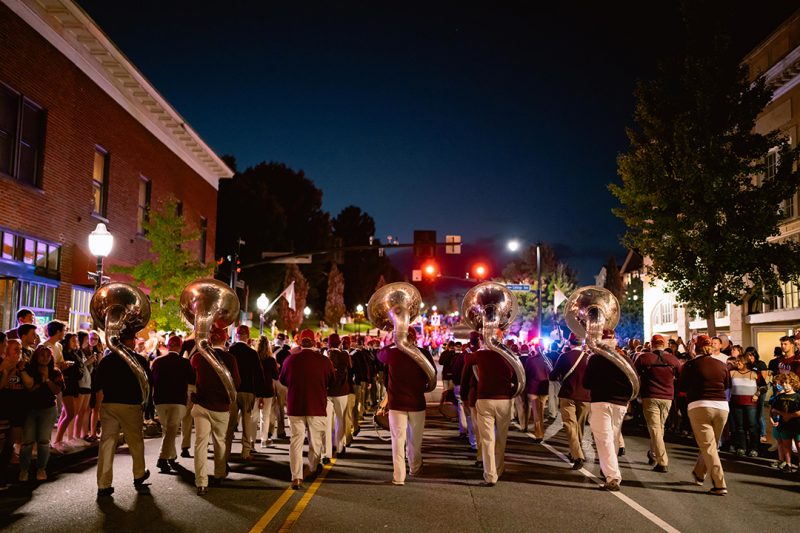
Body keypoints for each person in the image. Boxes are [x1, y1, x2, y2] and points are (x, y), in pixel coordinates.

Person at [94, 329, 152, 497]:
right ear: (129, 341)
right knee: (135, 441)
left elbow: (97, 384)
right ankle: (139, 473)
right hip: (130, 405)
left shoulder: (106, 360)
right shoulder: (139, 360)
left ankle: (104, 484)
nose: (134, 342)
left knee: (107, 443)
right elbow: (148, 384)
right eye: (133, 339)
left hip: (110, 404)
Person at [278, 329, 334, 490]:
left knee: (295, 441)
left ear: (300, 342)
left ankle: (296, 477)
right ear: (315, 342)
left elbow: (283, 380)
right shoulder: (324, 361)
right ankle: (312, 467)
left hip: (296, 405)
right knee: (315, 441)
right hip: (316, 404)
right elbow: (331, 380)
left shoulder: (290, 360)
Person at [378, 327, 434, 486]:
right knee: (415, 440)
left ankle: (399, 476)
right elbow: (432, 377)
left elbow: (380, 354)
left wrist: (393, 341)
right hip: (417, 402)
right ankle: (415, 468)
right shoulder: (423, 353)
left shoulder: (392, 354)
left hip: (397, 404)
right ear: (414, 338)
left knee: (397, 440)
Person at [460, 331, 516, 486]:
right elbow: (518, 377)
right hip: (504, 399)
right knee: (501, 438)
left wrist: (479, 346)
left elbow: (466, 359)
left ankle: (490, 475)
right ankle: (499, 468)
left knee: (487, 439)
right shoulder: (508, 355)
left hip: (484, 398)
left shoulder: (480, 355)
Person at [678, 334, 731, 496]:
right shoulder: (721, 365)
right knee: (711, 445)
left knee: (708, 446)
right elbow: (727, 385)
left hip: (700, 405)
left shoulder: (691, 365)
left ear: (696, 347)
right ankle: (699, 473)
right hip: (722, 407)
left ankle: (719, 483)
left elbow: (682, 387)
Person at [191, 326, 240, 496]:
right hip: (221, 406)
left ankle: (201, 482)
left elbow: (191, 378)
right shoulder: (230, 358)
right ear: (226, 339)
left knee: (200, 444)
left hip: (202, 405)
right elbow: (237, 383)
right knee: (220, 441)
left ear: (210, 339)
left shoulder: (198, 357)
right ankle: (219, 473)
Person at [584, 330, 633, 491]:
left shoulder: (595, 359)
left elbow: (586, 383)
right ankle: (609, 470)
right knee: (612, 436)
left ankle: (612, 476)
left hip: (601, 401)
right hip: (620, 403)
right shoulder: (625, 359)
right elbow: (634, 382)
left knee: (605, 439)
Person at [634, 334, 681, 473]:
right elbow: (680, 376)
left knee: (655, 428)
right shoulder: (673, 359)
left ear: (651, 345)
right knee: (659, 428)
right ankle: (654, 453)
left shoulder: (644, 358)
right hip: (667, 397)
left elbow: (634, 376)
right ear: (665, 344)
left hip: (650, 396)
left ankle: (662, 461)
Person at [18, 345, 64, 482]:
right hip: (30, 409)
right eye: (42, 355)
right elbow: (29, 389)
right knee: (27, 441)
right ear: (36, 356)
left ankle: (41, 469)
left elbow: (57, 390)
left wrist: (47, 379)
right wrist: (39, 380)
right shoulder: (30, 370)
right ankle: (24, 470)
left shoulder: (55, 372)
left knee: (44, 441)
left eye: (47, 356)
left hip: (48, 409)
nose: (44, 358)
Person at [151, 335, 195, 473]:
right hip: (178, 400)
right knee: (171, 429)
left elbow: (151, 381)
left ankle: (172, 455)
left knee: (167, 429)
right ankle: (162, 458)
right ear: (180, 347)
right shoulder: (184, 362)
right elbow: (193, 380)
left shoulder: (157, 361)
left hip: (160, 400)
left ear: (168, 346)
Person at [549, 333, 591, 469]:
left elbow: (553, 375)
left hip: (568, 394)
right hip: (585, 396)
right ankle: (575, 451)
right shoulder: (589, 358)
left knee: (569, 425)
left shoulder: (564, 356)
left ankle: (577, 455)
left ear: (569, 342)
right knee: (579, 425)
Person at [226, 325, 266, 462]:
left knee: (230, 423)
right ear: (247, 337)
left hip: (233, 391)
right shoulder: (252, 353)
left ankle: (226, 451)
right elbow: (259, 374)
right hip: (248, 391)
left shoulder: (230, 351)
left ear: (236, 335)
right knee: (247, 421)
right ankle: (246, 451)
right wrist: (260, 394)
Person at [729, 355, 766, 457]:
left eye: (739, 361)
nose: (737, 363)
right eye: (736, 361)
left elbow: (764, 387)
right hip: (736, 403)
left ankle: (754, 448)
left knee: (752, 426)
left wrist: (757, 394)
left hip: (751, 404)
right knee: (739, 427)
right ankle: (741, 447)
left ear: (745, 362)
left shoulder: (755, 373)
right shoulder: (732, 373)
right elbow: (726, 385)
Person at [54, 332, 85, 450]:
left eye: (76, 341)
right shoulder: (64, 353)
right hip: (68, 383)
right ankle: (58, 439)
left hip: (74, 383)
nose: (75, 343)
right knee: (70, 413)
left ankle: (59, 438)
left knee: (66, 413)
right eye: (73, 340)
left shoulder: (74, 353)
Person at [325, 333, 351, 459]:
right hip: (341, 391)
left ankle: (328, 448)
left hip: (328, 392)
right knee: (340, 420)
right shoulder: (345, 355)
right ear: (339, 343)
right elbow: (350, 369)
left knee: (328, 421)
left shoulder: (324, 355)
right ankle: (340, 446)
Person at [768, 372, 800, 471]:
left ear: (793, 383)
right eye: (783, 383)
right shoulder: (779, 397)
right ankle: (788, 464)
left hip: (797, 425)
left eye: (787, 383)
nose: (785, 385)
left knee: (799, 445)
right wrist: (778, 415)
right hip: (784, 425)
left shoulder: (798, 397)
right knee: (786, 446)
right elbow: (773, 410)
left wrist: (788, 415)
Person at [253, 335, 277, 451]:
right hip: (267, 390)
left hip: (255, 389)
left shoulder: (253, 358)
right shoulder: (271, 360)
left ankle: (252, 440)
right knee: (265, 416)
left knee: (254, 416)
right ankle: (263, 439)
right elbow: (276, 376)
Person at [523, 343, 551, 442]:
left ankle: (539, 434)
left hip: (533, 388)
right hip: (544, 388)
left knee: (536, 412)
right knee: (541, 411)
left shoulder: (530, 360)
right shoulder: (548, 360)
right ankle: (540, 432)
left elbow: (526, 374)